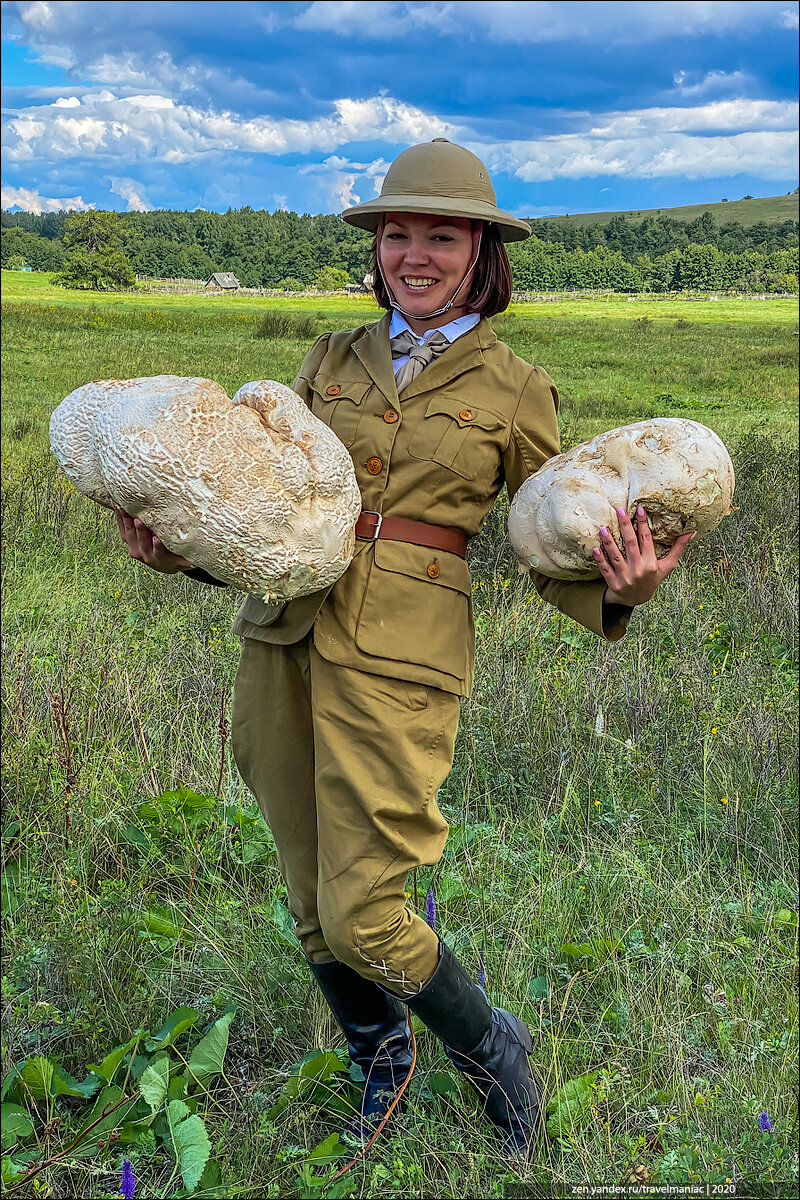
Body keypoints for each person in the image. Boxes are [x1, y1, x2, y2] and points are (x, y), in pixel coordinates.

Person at [114, 139, 694, 1156]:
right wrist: (178, 553)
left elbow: (544, 534)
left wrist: (620, 590)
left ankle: (490, 1050)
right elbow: (265, 509)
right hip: (283, 631)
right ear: (375, 247)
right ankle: (379, 1064)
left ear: (481, 252)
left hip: (403, 654)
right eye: (396, 234)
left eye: (440, 235)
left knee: (364, 910)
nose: (413, 254)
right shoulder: (328, 358)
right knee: (307, 892)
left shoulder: (516, 387)